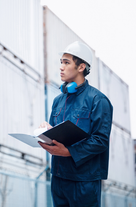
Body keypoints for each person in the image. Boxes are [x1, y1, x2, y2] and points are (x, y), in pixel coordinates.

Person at [38, 41, 113, 207]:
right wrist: (47, 132)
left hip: (83, 181)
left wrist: (69, 151)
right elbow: (57, 133)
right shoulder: (58, 100)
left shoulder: (98, 100)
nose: (61, 67)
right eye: (61, 62)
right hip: (58, 178)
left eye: (67, 62)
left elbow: (101, 140)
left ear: (81, 67)